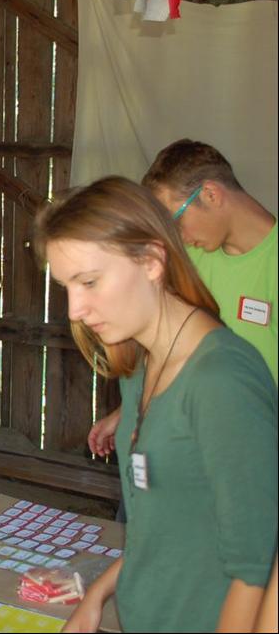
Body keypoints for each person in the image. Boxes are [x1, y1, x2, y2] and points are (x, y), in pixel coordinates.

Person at [34, 177, 277, 632]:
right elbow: (163, 525)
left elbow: (255, 565)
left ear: (151, 260)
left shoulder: (222, 379)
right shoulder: (140, 368)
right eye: (67, 287)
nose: (74, 309)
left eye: (89, 282)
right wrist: (98, 595)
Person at [87, 139, 276, 459]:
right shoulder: (189, 261)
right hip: (190, 445)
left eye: (175, 220)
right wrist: (130, 410)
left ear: (211, 194)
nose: (177, 236)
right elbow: (167, 347)